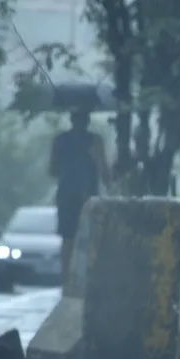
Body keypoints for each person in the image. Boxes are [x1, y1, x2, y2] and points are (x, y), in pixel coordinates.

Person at [48, 109, 110, 282]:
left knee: (69, 238)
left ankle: (67, 277)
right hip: (87, 196)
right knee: (87, 236)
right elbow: (105, 172)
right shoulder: (95, 141)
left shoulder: (61, 141)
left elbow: (52, 171)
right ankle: (84, 276)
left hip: (69, 194)